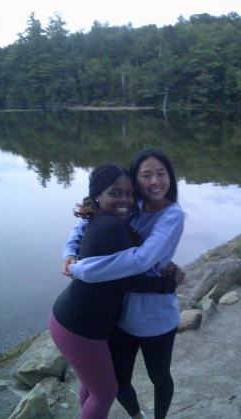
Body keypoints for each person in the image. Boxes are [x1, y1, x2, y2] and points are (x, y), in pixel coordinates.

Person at [49, 163, 178, 419]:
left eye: (129, 193)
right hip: (80, 326)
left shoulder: (103, 218)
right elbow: (128, 279)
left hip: (75, 320)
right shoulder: (111, 226)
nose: (125, 199)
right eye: (115, 193)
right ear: (98, 195)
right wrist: (168, 283)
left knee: (92, 387)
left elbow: (121, 272)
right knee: (105, 392)